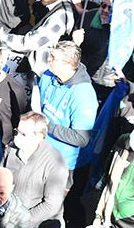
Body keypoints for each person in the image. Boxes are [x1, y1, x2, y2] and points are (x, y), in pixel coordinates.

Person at [2, 112, 70, 228]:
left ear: (40, 136)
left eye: (24, 134)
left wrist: (20, 222)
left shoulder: (55, 162)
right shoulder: (12, 150)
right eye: (17, 132)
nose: (17, 137)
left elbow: (51, 204)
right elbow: (2, 179)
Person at [33, 41, 98, 172]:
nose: (49, 60)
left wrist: (47, 126)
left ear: (68, 64)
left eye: (54, 58)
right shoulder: (48, 75)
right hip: (41, 152)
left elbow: (81, 138)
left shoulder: (83, 95)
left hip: (64, 164)